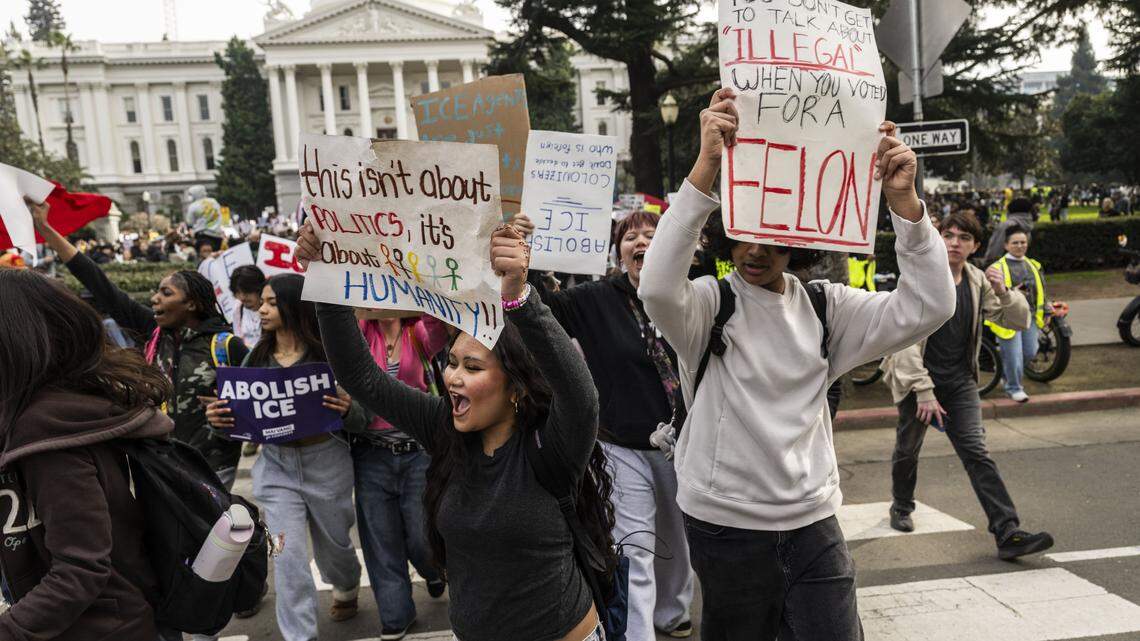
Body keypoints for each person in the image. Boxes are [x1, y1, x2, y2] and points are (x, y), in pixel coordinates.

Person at [637, 87, 956, 640]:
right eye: (744, 237)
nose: (756, 251)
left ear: (800, 243)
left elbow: (930, 305)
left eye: (775, 241)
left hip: (813, 524)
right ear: (728, 235)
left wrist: (905, 207)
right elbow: (658, 288)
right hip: (724, 526)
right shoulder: (710, 304)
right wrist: (706, 166)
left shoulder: (826, 307)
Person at [295, 222, 616, 641]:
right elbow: (361, 375)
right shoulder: (443, 427)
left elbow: (581, 395)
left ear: (515, 388)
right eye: (451, 362)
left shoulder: (551, 445)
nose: (453, 378)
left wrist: (519, 297)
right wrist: (327, 279)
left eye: (473, 367)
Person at [510, 208, 696, 640]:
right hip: (619, 445)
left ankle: (673, 611)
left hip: (683, 444)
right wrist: (527, 259)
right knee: (636, 546)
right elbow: (544, 314)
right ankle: (637, 632)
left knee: (678, 538)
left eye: (652, 234)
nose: (642, 243)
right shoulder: (596, 298)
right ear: (618, 252)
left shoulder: (691, 295)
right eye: (630, 237)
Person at [0, 266, 173, 641]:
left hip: (102, 629)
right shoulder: (48, 411)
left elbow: (80, 568)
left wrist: (10, 630)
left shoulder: (46, 432)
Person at [29, 198, 248, 489]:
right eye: (156, 292)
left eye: (166, 293)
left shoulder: (226, 345)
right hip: (160, 462)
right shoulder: (151, 331)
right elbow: (100, 285)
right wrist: (47, 230)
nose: (155, 298)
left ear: (192, 304)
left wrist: (231, 409)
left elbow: (261, 403)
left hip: (214, 467)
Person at [881, 210, 1055, 559]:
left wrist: (1004, 292)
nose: (955, 243)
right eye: (949, 235)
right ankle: (902, 505)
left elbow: (1017, 320)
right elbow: (901, 341)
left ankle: (1007, 532)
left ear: (975, 246)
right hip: (920, 384)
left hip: (960, 383)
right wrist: (924, 391)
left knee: (977, 454)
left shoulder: (977, 280)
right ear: (939, 239)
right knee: (907, 449)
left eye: (964, 238)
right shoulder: (920, 279)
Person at [206, 274, 366, 641]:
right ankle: (299, 635)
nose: (260, 309)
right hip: (275, 470)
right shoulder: (255, 357)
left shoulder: (331, 354)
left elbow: (363, 417)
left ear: (295, 306)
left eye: (271, 302)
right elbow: (236, 419)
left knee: (336, 545)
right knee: (288, 556)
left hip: (327, 464)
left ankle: (345, 584)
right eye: (261, 301)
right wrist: (218, 421)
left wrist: (347, 410)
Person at [353, 313, 449, 639]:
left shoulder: (418, 330)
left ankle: (433, 571)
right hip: (371, 454)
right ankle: (396, 616)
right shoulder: (363, 329)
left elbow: (440, 322)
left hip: (418, 454)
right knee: (381, 541)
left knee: (423, 538)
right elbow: (342, 333)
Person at [987, 225, 1049, 402]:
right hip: (1007, 318)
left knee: (1030, 351)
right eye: (1015, 243)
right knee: (1014, 355)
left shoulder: (1033, 265)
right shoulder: (997, 268)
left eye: (1023, 242)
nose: (1020, 246)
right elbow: (990, 294)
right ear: (1006, 245)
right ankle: (1014, 387)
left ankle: (1005, 372)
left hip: (1029, 317)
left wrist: (1047, 309)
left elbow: (1042, 289)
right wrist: (1012, 291)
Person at [230, 264, 267, 349]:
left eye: (247, 292)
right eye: (238, 292)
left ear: (259, 289)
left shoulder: (271, 310)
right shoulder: (237, 309)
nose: (242, 297)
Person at [186, 185, 225, 251]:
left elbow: (190, 222)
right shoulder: (214, 201)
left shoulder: (193, 206)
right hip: (218, 235)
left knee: (206, 257)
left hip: (203, 235)